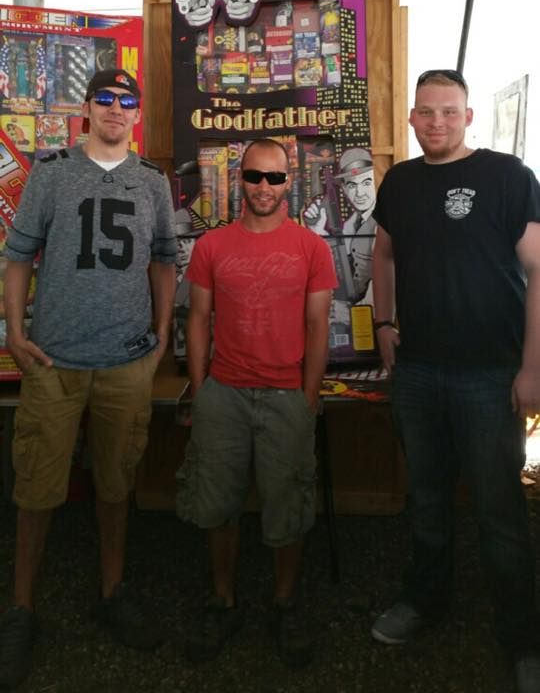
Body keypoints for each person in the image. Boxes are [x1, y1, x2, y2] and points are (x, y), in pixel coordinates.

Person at [0, 68, 177, 690]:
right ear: (86, 107)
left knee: (115, 482)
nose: (115, 109)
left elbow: (164, 261)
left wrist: (160, 336)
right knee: (35, 489)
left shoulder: (152, 181)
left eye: (127, 101)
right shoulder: (51, 173)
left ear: (137, 114)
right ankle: (21, 609)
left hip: (126, 361)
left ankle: (112, 590)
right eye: (105, 98)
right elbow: (18, 256)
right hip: (53, 361)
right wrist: (15, 331)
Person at [371, 68, 540, 693]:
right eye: (426, 111)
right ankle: (425, 601)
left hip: (490, 374)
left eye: (448, 111)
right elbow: (383, 252)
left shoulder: (508, 177)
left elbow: (538, 272)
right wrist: (382, 321)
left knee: (499, 511)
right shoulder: (400, 182)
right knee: (427, 498)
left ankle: (522, 637)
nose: (436, 121)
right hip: (417, 370)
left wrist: (532, 367)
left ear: (468, 117)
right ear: (412, 118)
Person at [176, 137, 337, 668]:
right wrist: (201, 388)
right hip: (223, 391)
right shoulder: (212, 246)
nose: (264, 187)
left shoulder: (312, 249)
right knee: (217, 503)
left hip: (287, 394)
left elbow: (318, 326)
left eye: (275, 177)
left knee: (287, 504)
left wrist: (308, 397)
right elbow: (198, 319)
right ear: (239, 179)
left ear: (290, 181)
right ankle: (222, 600)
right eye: (254, 176)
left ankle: (284, 603)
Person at [304, 146, 376, 303]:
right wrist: (319, 233)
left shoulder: (383, 223)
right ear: (343, 188)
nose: (359, 193)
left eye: (366, 182)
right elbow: (342, 275)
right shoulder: (350, 225)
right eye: (352, 185)